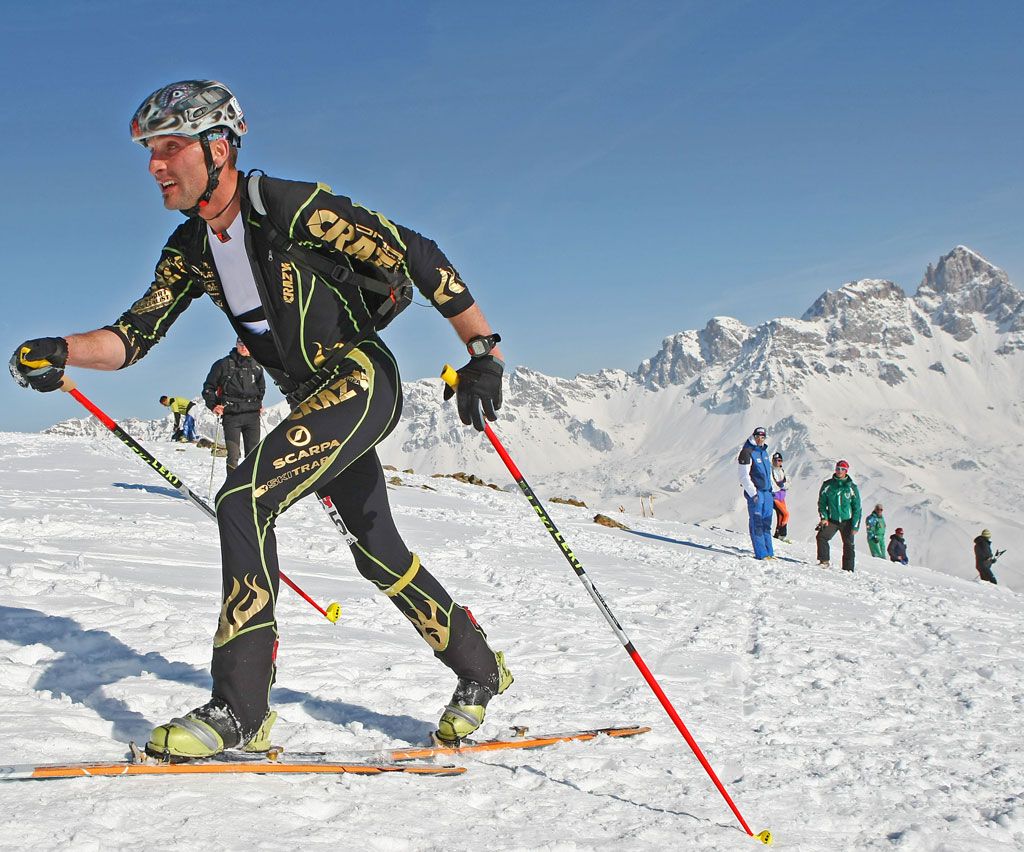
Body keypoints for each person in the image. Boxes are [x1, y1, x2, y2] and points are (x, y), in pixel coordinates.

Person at [9, 79, 512, 760]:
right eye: (150, 153)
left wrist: (482, 352)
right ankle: (481, 671)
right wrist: (62, 349)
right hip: (314, 402)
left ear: (218, 148)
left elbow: (416, 251)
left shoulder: (288, 207)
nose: (156, 166)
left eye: (170, 148)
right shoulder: (189, 249)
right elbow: (132, 338)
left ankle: (241, 707)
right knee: (376, 551)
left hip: (361, 378)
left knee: (243, 500)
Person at [203, 338, 266, 470]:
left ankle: (252, 489)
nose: (244, 347)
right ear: (236, 344)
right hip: (232, 416)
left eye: (246, 344)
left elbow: (261, 388)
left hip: (252, 415)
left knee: (253, 456)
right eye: (241, 343)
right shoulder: (223, 364)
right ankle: (232, 489)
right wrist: (214, 405)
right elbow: (208, 388)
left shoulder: (257, 366)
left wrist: (259, 403)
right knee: (233, 455)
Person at [816, 459, 861, 571]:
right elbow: (822, 503)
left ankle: (848, 569)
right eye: (837, 468)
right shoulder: (828, 485)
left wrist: (855, 525)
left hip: (847, 521)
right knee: (821, 537)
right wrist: (824, 518)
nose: (839, 471)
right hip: (832, 520)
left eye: (842, 469)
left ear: (846, 471)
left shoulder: (852, 487)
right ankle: (824, 561)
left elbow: (857, 508)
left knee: (849, 545)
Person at [738, 427, 774, 560]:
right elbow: (743, 476)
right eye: (758, 436)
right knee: (757, 522)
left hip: (767, 493)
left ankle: (769, 552)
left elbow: (768, 473)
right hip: (757, 493)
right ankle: (761, 553)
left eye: (763, 436)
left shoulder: (763, 451)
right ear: (754, 436)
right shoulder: (747, 452)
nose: (760, 438)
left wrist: (772, 490)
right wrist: (753, 493)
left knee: (766, 523)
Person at [770, 451, 789, 540]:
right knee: (785, 514)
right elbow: (773, 484)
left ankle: (778, 535)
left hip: (782, 496)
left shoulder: (782, 471)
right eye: (775, 460)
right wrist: (781, 486)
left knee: (781, 515)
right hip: (775, 496)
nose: (777, 462)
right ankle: (782, 534)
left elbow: (788, 483)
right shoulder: (771, 471)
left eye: (779, 460)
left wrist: (784, 485)